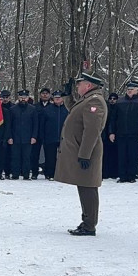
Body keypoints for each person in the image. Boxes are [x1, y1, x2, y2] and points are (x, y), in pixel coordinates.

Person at [54, 71, 108, 236]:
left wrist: (85, 154)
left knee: (88, 187)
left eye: (80, 83)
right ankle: (87, 222)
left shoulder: (95, 102)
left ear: (88, 85)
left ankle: (89, 225)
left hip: (87, 151)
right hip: (84, 150)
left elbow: (91, 130)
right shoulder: (87, 100)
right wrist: (66, 96)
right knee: (84, 185)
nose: (77, 86)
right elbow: (75, 111)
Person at [108, 81, 138, 183]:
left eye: (132, 89)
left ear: (137, 90)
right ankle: (122, 176)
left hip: (135, 133)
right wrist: (111, 132)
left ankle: (132, 176)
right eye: (128, 89)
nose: (129, 91)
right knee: (121, 155)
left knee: (133, 155)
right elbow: (113, 119)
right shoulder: (120, 102)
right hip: (121, 133)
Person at [6, 89, 38, 179]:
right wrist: (9, 137)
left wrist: (34, 136)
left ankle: (26, 175)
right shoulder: (12, 109)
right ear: (18, 98)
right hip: (15, 138)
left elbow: (35, 124)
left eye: (25, 97)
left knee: (27, 158)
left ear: (28, 98)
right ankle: (15, 174)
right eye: (21, 97)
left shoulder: (32, 109)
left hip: (28, 138)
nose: (23, 99)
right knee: (15, 157)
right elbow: (9, 125)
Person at [38, 90, 69, 179]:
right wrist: (42, 136)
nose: (57, 99)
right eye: (56, 98)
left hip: (63, 137)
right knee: (50, 157)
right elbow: (42, 125)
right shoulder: (47, 110)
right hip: (49, 137)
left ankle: (62, 174)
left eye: (59, 98)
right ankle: (50, 174)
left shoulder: (67, 110)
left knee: (63, 157)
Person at [102, 92, 119, 179]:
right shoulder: (106, 108)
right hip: (105, 134)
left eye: (114, 99)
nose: (112, 101)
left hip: (116, 134)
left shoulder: (119, 108)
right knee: (105, 155)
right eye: (110, 99)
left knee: (114, 155)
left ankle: (114, 172)